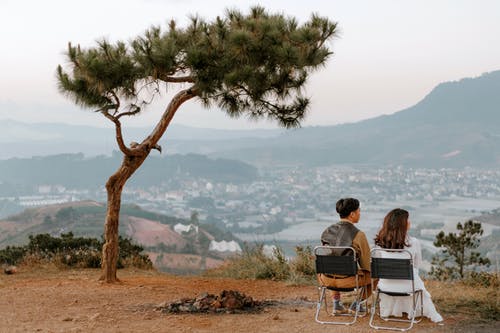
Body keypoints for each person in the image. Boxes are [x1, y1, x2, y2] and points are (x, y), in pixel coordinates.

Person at [373, 208, 443, 323]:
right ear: (403, 224)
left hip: (385, 286)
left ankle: (396, 308)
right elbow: (416, 265)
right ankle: (411, 309)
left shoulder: (379, 244)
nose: (409, 222)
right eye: (407, 220)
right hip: (409, 286)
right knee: (416, 280)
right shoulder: (413, 242)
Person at [318, 197, 372, 314]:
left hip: (325, 279)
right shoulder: (359, 235)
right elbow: (367, 264)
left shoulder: (327, 231)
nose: (360, 214)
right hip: (348, 281)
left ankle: (337, 304)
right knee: (376, 275)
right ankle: (356, 304)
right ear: (352, 214)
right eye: (359, 211)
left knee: (332, 265)